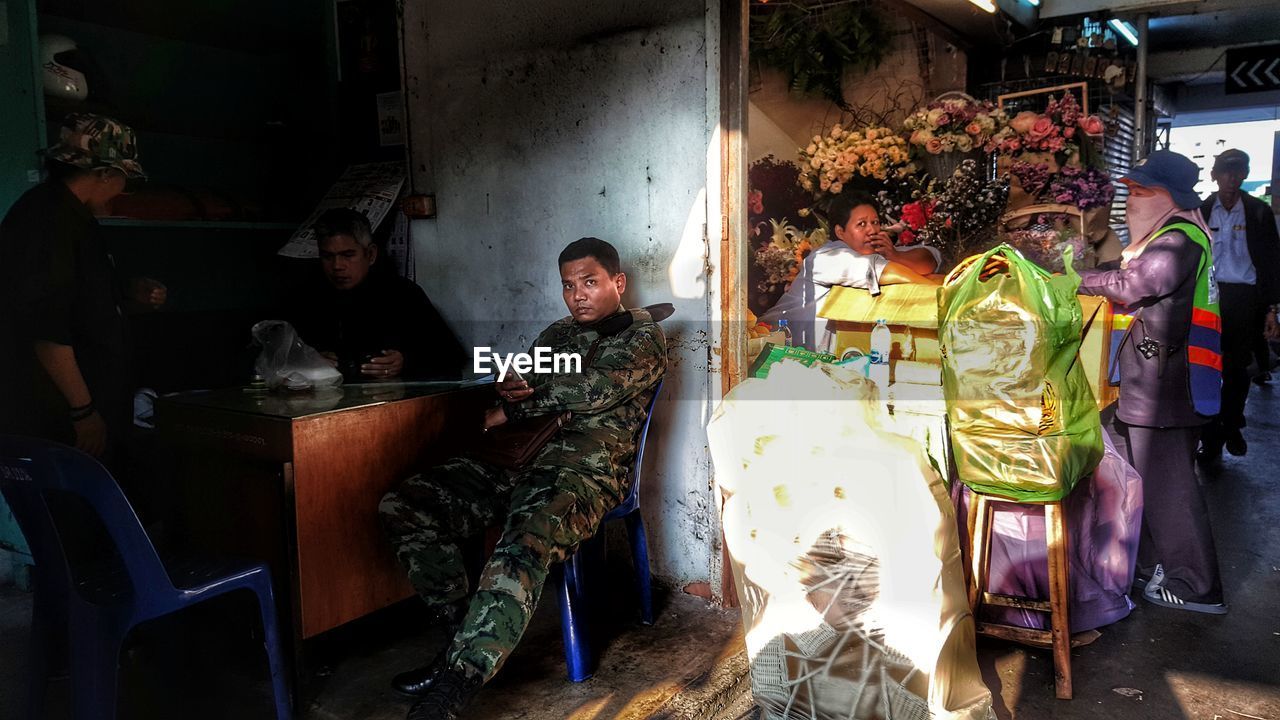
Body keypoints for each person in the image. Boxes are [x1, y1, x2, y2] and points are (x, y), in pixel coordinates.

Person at [378, 237, 666, 719]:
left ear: (618, 283)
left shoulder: (641, 336)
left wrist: (517, 404)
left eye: (590, 282)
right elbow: (522, 380)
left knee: (521, 542)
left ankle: (456, 684)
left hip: (582, 474)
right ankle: (459, 639)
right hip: (517, 459)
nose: (578, 295)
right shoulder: (557, 334)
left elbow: (591, 391)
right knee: (406, 504)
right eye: (569, 285)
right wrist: (509, 388)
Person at [1076, 150, 1226, 615]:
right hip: (1149, 379)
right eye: (1131, 192)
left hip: (1168, 384)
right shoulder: (1164, 235)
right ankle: (1151, 565)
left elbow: (1130, 286)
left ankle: (1196, 584)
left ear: (1173, 197)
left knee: (1168, 485)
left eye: (1144, 192)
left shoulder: (1178, 240)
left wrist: (1075, 279)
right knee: (1134, 476)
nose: (1132, 202)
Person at [0, 113, 163, 464]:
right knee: (72, 511)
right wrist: (82, 411)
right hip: (58, 417)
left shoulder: (73, 216)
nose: (123, 190)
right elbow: (47, 330)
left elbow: (82, 303)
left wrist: (127, 296)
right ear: (105, 173)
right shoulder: (47, 220)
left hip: (90, 408)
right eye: (123, 178)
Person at [290, 208, 466, 380]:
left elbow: (450, 357)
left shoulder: (402, 295)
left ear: (371, 254)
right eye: (328, 256)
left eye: (348, 255)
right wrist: (307, 361)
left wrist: (404, 362)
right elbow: (275, 358)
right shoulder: (307, 299)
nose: (337, 266)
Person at [760, 192, 941, 350]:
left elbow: (930, 258)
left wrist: (897, 256)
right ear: (840, 232)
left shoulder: (881, 253)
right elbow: (882, 271)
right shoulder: (827, 256)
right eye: (862, 224)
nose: (872, 230)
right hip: (770, 345)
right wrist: (943, 293)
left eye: (875, 222)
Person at [1197, 149, 1280, 460]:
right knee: (1205, 367)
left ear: (1244, 175)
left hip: (1243, 300)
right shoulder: (1202, 211)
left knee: (1236, 368)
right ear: (1215, 175)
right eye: (1226, 172)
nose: (1232, 178)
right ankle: (1209, 436)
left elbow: (1271, 262)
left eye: (1238, 172)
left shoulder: (1258, 212)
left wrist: (1271, 309)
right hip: (1206, 298)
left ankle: (1231, 426)